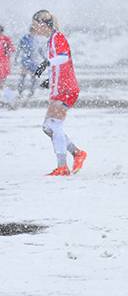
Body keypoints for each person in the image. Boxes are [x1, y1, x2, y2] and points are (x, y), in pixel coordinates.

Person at [30, 10, 87, 176]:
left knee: (54, 125)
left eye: (36, 25)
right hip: (59, 89)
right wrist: (50, 79)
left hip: (66, 89)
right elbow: (58, 64)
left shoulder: (57, 37)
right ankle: (77, 153)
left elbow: (63, 58)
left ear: (43, 23)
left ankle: (62, 167)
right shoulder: (51, 40)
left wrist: (46, 63)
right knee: (48, 127)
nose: (34, 28)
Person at [15, 26, 45, 98]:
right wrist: (16, 58)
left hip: (33, 61)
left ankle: (31, 92)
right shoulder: (25, 39)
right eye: (34, 31)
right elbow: (19, 49)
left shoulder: (36, 40)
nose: (35, 33)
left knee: (33, 78)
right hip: (26, 60)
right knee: (23, 76)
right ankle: (20, 92)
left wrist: (45, 58)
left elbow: (40, 50)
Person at [0, 25, 14, 105]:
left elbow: (11, 49)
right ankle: (10, 99)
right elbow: (11, 50)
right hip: (4, 64)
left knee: (2, 84)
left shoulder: (6, 39)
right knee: (2, 84)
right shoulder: (6, 39)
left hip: (3, 64)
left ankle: (10, 99)